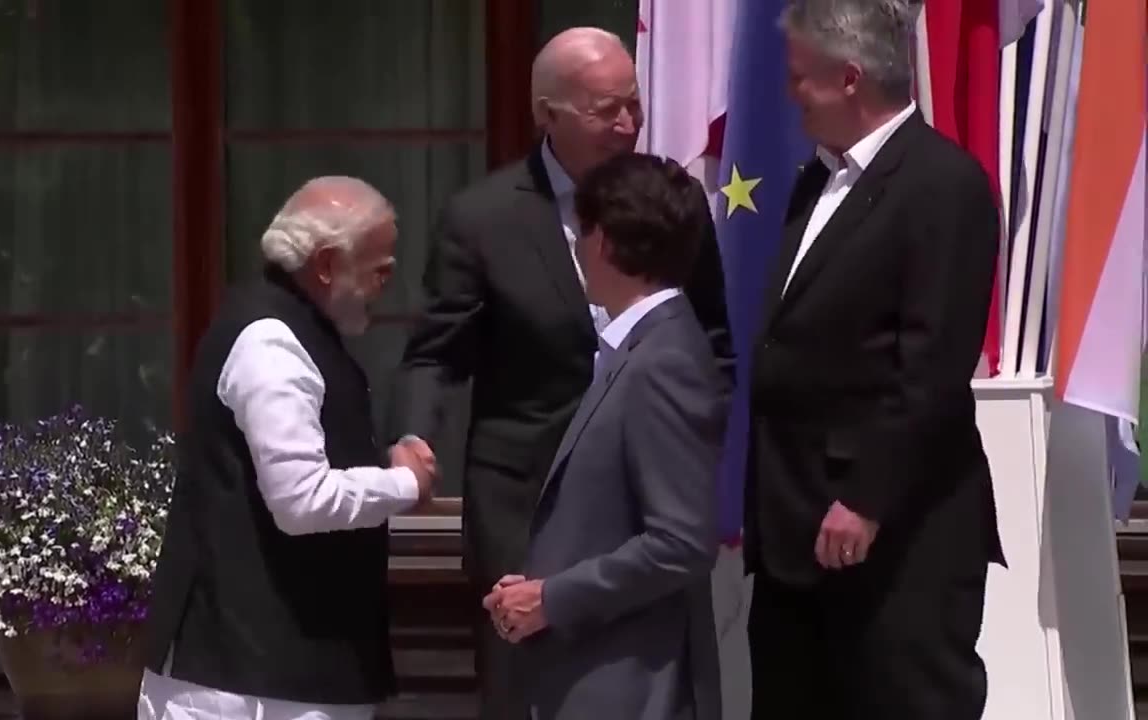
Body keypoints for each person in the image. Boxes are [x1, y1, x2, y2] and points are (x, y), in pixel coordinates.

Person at [393, 27, 735, 720]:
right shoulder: (483, 217)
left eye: (633, 105)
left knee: (637, 682)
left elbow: (713, 342)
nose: (627, 124)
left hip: (643, 504)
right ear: (547, 114)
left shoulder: (672, 201)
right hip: (526, 503)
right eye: (605, 109)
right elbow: (437, 351)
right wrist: (412, 436)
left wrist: (691, 444)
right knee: (527, 690)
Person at [744, 2, 1006, 718]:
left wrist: (866, 497)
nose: (791, 93)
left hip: (895, 536)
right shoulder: (814, 183)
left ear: (849, 77)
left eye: (802, 77)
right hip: (795, 526)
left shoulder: (942, 183)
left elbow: (932, 364)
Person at [139, 176, 438, 720]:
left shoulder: (299, 332)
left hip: (282, 673)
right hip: (250, 684)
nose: (386, 284)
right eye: (380, 268)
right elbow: (300, 500)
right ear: (326, 264)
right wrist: (404, 482)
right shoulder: (271, 342)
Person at [483, 152, 726, 720]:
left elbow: (680, 542)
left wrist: (552, 598)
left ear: (605, 242)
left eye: (583, 229)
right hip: (591, 677)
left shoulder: (663, 361)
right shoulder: (638, 351)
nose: (576, 246)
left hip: (631, 685)